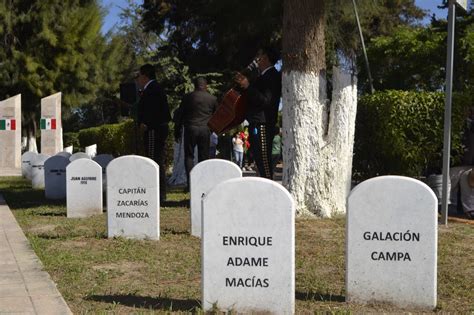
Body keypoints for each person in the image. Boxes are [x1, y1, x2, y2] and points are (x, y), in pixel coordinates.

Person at [234, 46, 281, 179]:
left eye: (259, 58)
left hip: (263, 123)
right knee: (259, 160)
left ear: (265, 58)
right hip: (257, 123)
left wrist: (248, 86)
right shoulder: (262, 76)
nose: (256, 61)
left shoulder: (272, 76)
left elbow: (265, 100)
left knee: (264, 161)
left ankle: (269, 189)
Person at [136, 63, 171, 202]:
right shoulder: (152, 88)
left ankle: (158, 194)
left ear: (144, 76)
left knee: (154, 161)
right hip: (156, 128)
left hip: (153, 129)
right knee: (156, 159)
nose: (137, 79)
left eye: (138, 75)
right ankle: (158, 193)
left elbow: (153, 109)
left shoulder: (152, 88)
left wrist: (145, 123)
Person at [174, 77, 218, 186]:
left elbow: (180, 114)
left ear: (194, 86)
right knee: (204, 156)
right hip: (205, 129)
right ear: (206, 86)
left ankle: (190, 183)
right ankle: (202, 182)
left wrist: (177, 130)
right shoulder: (212, 99)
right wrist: (213, 129)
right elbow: (216, 116)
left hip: (191, 128)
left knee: (189, 156)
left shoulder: (188, 97)